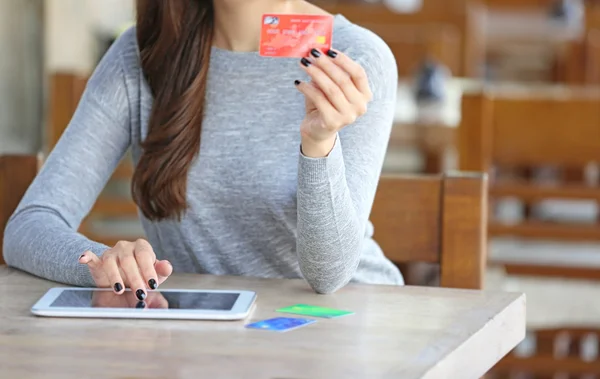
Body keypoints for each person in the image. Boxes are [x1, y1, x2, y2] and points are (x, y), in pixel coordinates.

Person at [3, 0, 403, 299]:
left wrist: (319, 144)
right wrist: (103, 264)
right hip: (206, 331)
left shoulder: (356, 57)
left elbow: (328, 276)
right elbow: (29, 225)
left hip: (342, 321)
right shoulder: (142, 55)